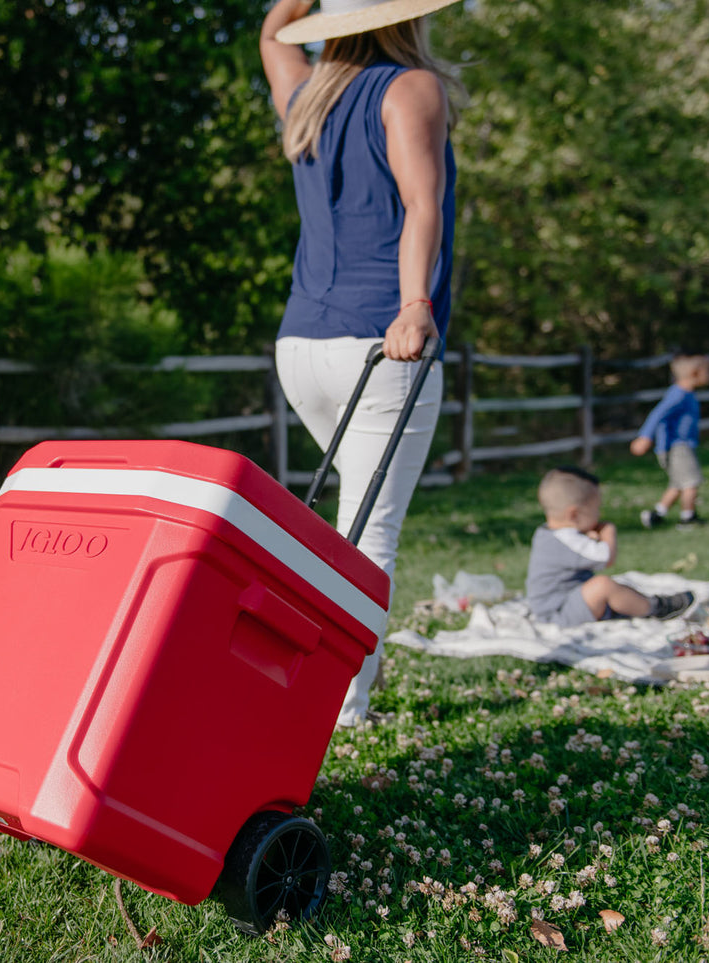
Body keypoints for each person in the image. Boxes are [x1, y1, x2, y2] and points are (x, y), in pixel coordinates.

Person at [260, 0, 464, 726]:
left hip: (302, 345)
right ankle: (339, 705)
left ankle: (302, 677)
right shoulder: (409, 86)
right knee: (367, 533)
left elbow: (271, 34)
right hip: (380, 342)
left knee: (344, 521)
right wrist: (415, 303)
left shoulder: (307, 96)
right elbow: (421, 204)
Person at [525, 466, 695, 627]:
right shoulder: (565, 540)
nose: (599, 515)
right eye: (596, 509)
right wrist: (608, 531)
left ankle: (639, 604)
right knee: (603, 585)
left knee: (615, 588)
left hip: (562, 603)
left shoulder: (549, 533)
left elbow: (578, 549)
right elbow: (606, 558)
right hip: (558, 613)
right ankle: (657, 608)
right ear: (574, 514)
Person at [630, 352, 709, 529]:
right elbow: (657, 414)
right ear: (695, 373)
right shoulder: (679, 394)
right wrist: (645, 436)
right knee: (691, 481)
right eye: (708, 371)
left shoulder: (684, 393)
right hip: (677, 446)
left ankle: (657, 515)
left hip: (679, 446)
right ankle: (688, 518)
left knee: (677, 484)